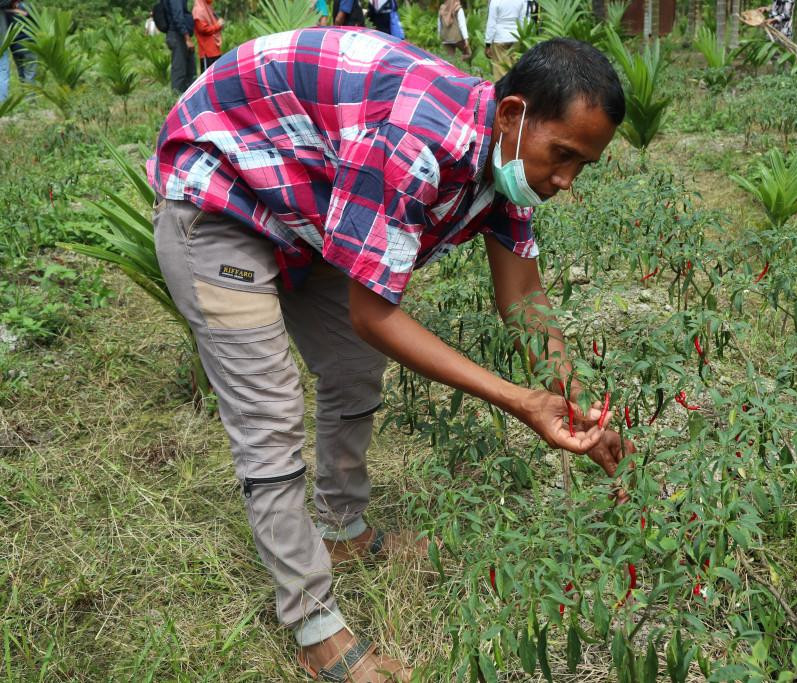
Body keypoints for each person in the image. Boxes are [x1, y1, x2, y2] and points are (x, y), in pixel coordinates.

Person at [147, 29, 627, 681]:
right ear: (513, 114)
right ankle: (316, 629)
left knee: (350, 371)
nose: (565, 180)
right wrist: (519, 399)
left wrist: (576, 404)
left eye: (581, 166)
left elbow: (524, 304)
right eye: (563, 155)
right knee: (270, 413)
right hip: (219, 201)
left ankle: (341, 531)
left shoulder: (504, 163)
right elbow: (373, 315)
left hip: (305, 208)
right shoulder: (417, 138)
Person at [485, 0, 528, 80]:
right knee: (514, 69)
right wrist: (521, 38)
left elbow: (491, 23)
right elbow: (522, 20)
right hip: (515, 37)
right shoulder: (521, 1)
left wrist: (488, 43)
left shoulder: (495, 1)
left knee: (500, 70)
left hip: (500, 38)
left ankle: (502, 91)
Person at [164, 0, 196, 92]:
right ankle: (176, 100)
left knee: (190, 71)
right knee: (180, 70)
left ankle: (189, 99)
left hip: (180, 35)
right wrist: (187, 38)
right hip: (178, 35)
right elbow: (178, 16)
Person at [192, 0, 223, 72]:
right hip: (207, 52)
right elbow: (203, 29)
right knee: (208, 78)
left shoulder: (208, 8)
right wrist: (218, 26)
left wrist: (219, 24)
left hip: (215, 49)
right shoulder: (198, 11)